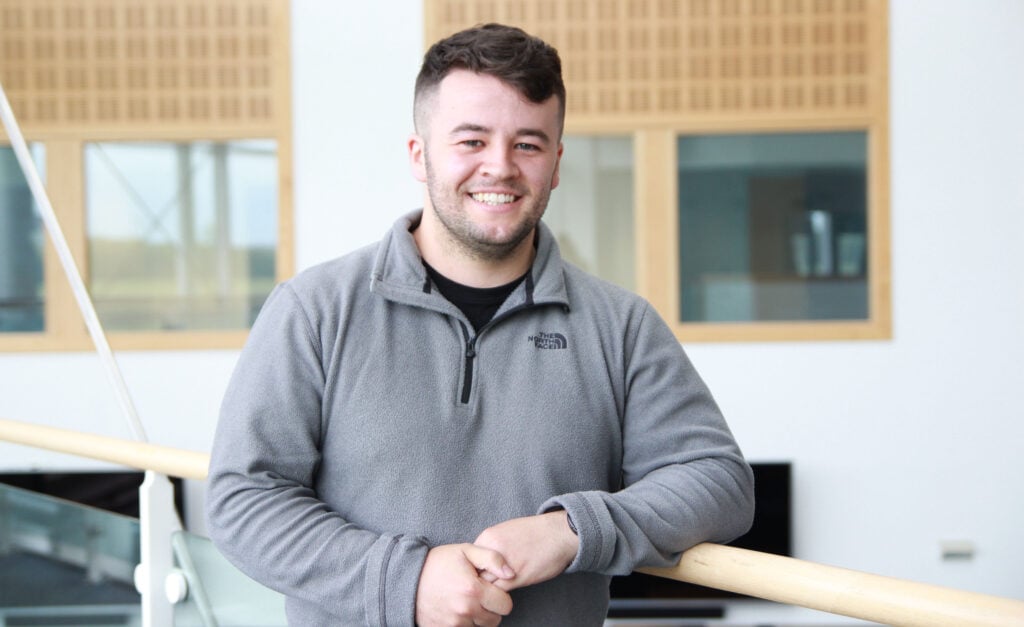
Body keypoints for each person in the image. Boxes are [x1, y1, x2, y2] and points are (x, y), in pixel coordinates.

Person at [206, 22, 754, 626]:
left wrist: (574, 530)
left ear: (556, 162)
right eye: (471, 141)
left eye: (528, 144)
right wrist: (407, 580)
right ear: (420, 154)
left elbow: (718, 481)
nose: (500, 167)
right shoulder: (313, 310)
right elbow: (245, 500)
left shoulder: (621, 325)